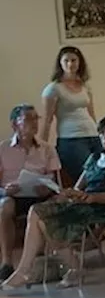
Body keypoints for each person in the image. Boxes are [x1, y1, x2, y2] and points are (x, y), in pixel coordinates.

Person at [2, 115, 105, 290]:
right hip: (84, 202)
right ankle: (28, 270)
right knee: (37, 211)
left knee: (45, 221)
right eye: (102, 133)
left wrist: (92, 198)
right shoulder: (95, 157)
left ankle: (63, 267)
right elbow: (78, 186)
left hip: (103, 205)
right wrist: (69, 193)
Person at [0, 105, 61, 283]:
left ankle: (43, 260)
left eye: (36, 118)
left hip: (39, 194)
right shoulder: (3, 149)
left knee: (47, 206)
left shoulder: (47, 148)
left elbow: (55, 180)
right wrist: (5, 190)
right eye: (28, 119)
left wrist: (48, 188)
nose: (34, 123)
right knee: (5, 208)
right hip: (11, 195)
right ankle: (6, 262)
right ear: (15, 124)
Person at [40, 46, 99, 185]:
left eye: (73, 60)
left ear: (79, 63)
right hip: (71, 139)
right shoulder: (54, 89)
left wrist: (99, 132)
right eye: (66, 61)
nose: (70, 64)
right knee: (88, 177)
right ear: (60, 63)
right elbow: (47, 120)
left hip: (93, 135)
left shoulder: (85, 86)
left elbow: (91, 113)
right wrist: (42, 147)